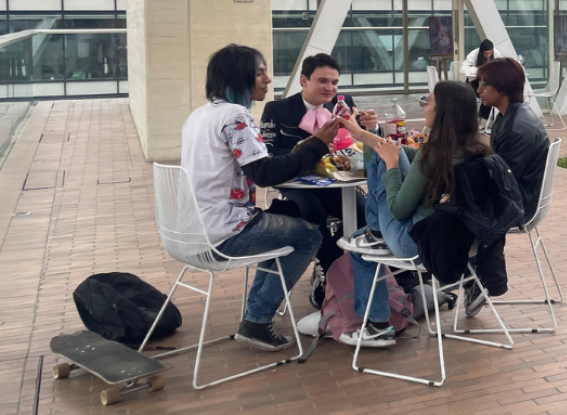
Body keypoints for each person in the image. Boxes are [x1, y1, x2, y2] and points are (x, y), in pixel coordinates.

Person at [181, 44, 335, 352]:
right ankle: (258, 318)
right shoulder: (236, 115)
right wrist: (316, 144)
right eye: (260, 72)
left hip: (191, 230)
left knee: (283, 227)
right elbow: (264, 173)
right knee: (309, 236)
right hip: (225, 231)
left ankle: (256, 315)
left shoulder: (200, 115)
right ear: (239, 77)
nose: (267, 80)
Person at [335, 81, 491, 347]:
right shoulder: (478, 149)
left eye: (428, 102)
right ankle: (373, 233)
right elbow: (415, 156)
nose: (424, 107)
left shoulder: (433, 155)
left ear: (442, 112)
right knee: (384, 153)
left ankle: (377, 326)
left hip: (415, 243)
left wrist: (392, 165)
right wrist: (368, 134)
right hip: (461, 240)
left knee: (359, 251)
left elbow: (398, 208)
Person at [260, 53, 378, 308]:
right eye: (323, 81)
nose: (330, 88)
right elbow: (268, 154)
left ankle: (361, 270)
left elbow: (357, 148)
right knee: (312, 211)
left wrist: (370, 129)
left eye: (335, 82)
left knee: (365, 213)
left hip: (335, 180)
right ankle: (331, 273)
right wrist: (308, 151)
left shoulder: (343, 105)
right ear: (304, 80)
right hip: (295, 181)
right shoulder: (277, 110)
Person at [474, 58, 549, 315]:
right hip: (518, 193)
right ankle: (472, 275)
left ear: (502, 88)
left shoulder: (517, 128)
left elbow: (501, 183)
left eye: (484, 84)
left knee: (452, 211)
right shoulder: (511, 115)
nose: (479, 90)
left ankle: (482, 280)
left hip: (519, 203)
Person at [461, 39, 497, 126]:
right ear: (481, 52)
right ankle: (475, 119)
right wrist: (480, 70)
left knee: (492, 95)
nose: (488, 55)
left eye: (490, 53)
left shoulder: (496, 54)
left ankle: (483, 117)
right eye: (485, 53)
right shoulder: (474, 54)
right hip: (474, 83)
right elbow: (462, 69)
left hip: (487, 84)